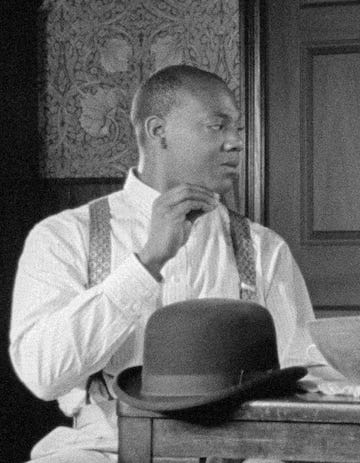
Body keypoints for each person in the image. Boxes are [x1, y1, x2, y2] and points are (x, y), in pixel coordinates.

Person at [9, 65, 331, 463]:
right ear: (157, 131)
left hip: (237, 452)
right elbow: (44, 376)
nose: (235, 143)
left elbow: (307, 374)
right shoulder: (64, 236)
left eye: (237, 129)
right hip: (107, 448)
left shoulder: (264, 249)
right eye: (217, 126)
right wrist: (146, 264)